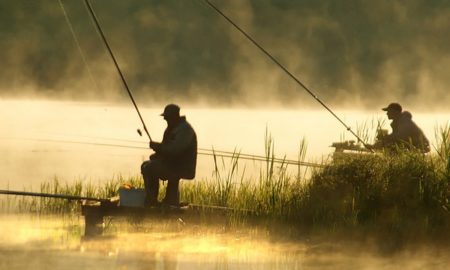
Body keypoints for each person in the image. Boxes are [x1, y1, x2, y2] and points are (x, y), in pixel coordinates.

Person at [141, 104, 197, 207]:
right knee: (146, 165)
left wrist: (158, 147)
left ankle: (152, 201)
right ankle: (165, 200)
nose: (165, 120)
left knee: (150, 168)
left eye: (166, 118)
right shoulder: (173, 128)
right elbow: (167, 150)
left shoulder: (184, 130)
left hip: (182, 167)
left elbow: (174, 150)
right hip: (173, 164)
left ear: (173, 116)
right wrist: (157, 154)